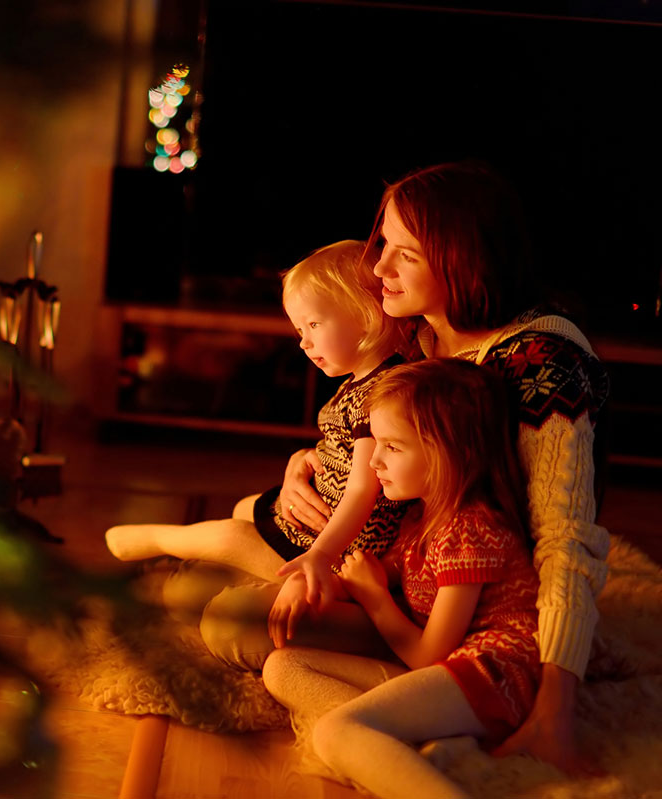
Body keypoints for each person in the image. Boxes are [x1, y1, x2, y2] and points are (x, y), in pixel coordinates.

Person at [253, 161, 610, 772]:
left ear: (461, 259)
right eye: (383, 243)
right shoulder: (412, 335)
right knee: (229, 611)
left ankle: (420, 721)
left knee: (242, 626)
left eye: (404, 255)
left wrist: (555, 704)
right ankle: (415, 724)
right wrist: (300, 467)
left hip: (477, 608)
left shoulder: (541, 362)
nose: (379, 268)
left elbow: (565, 539)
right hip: (402, 574)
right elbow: (356, 432)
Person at [263, 358, 539, 799]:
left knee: (334, 733)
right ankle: (412, 737)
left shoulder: (470, 529)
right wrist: (315, 580)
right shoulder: (421, 515)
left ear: (452, 452)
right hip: (452, 672)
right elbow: (375, 573)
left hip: (492, 678)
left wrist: (375, 599)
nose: (372, 460)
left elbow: (429, 655)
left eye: (392, 446)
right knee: (283, 667)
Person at [104, 240, 414, 614]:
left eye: (314, 324)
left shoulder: (384, 393)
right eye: (300, 329)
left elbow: (364, 488)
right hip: (316, 522)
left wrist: (320, 554)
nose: (304, 342)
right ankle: (196, 570)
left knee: (230, 537)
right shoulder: (363, 380)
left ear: (365, 315)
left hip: (337, 547)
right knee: (244, 507)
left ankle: (160, 540)